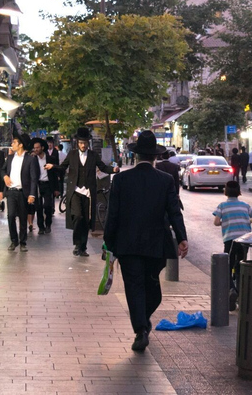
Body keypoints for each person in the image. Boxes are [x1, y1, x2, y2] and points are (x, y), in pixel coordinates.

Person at [104, 130, 188, 352]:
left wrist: (108, 243)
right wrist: (181, 238)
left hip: (127, 244)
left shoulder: (121, 179)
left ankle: (141, 326)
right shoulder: (166, 180)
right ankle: (142, 326)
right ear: (154, 157)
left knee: (134, 287)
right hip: (155, 245)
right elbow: (174, 212)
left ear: (136, 155)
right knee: (152, 287)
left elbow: (113, 214)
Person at [47, 127, 118, 257]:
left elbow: (103, 167)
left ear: (88, 143)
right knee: (78, 216)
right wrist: (53, 167)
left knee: (86, 220)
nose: (83, 145)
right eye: (80, 143)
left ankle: (83, 247)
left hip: (88, 192)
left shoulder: (93, 155)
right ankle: (77, 244)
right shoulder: (72, 154)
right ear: (77, 143)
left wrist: (114, 170)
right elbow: (63, 167)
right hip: (75, 191)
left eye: (85, 143)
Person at [213, 180, 252, 309]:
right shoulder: (245, 205)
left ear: (226, 192)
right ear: (239, 191)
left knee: (227, 266)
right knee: (241, 265)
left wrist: (226, 221)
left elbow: (216, 222)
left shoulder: (222, 206)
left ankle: (231, 289)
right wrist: (249, 220)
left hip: (230, 240)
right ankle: (241, 293)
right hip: (245, 240)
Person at [2, 133, 37, 251]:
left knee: (23, 218)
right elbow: (2, 170)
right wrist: (5, 177)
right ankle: (13, 240)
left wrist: (32, 194)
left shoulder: (30, 159)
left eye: (14, 142)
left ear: (20, 145)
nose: (12, 144)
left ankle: (23, 242)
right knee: (11, 216)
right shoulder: (10, 158)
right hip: (11, 192)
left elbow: (33, 178)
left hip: (23, 193)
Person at [31, 137, 57, 235]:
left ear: (42, 148)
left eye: (37, 148)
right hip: (37, 185)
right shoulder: (33, 159)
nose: (36, 149)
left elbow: (55, 174)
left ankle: (48, 224)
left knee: (47, 206)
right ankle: (41, 227)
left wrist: (56, 189)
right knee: (38, 207)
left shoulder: (50, 158)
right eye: (34, 148)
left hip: (47, 185)